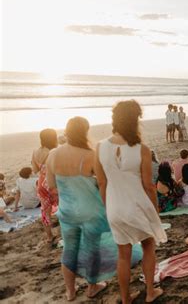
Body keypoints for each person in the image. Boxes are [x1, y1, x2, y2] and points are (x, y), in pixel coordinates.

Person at [47, 117, 137, 301]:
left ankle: (70, 291)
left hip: (67, 211)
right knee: (92, 249)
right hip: (90, 211)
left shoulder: (53, 154)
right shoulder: (90, 154)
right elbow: (103, 182)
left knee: (69, 250)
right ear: (84, 131)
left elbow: (51, 186)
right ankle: (92, 286)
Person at [96, 100, 167, 303]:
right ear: (135, 120)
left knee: (123, 255)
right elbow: (148, 185)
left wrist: (108, 207)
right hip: (138, 205)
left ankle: (126, 299)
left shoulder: (100, 147)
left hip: (115, 207)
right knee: (148, 246)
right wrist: (155, 210)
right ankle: (150, 292)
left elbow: (101, 182)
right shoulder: (141, 149)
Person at [32, 128, 58, 243]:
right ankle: (65, 233)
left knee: (45, 211)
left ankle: (49, 236)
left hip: (42, 184)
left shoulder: (35, 152)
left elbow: (35, 169)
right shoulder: (55, 151)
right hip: (55, 183)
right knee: (64, 208)